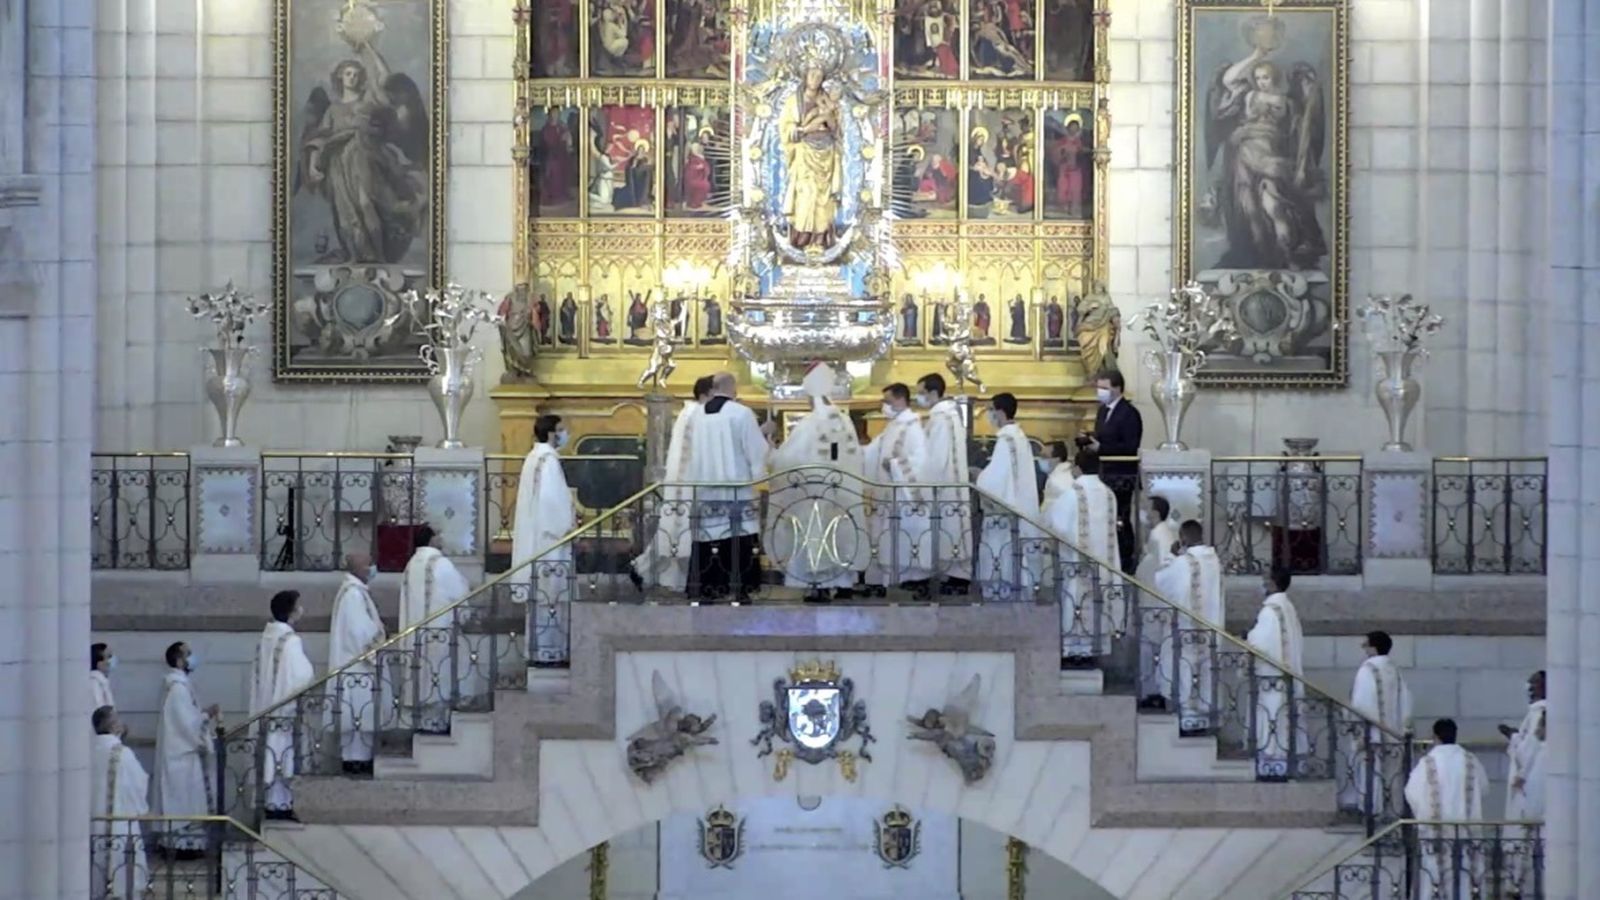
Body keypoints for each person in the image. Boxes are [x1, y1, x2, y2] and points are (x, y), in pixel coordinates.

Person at [766, 362, 867, 597]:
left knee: (815, 535)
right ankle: (843, 583)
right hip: (842, 490)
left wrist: (773, 453)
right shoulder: (844, 420)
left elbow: (790, 459)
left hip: (815, 491)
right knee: (839, 532)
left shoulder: (811, 423)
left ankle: (817, 586)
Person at [688, 372, 771, 600]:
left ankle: (707, 587)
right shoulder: (741, 413)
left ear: (714, 388)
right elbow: (755, 449)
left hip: (705, 486)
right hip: (736, 487)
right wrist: (759, 472)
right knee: (737, 537)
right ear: (733, 389)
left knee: (708, 537)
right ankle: (740, 588)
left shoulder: (697, 415)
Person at [633, 376, 714, 593]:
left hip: (689, 485)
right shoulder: (695, 414)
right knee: (675, 536)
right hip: (685, 486)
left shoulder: (695, 414)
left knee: (677, 536)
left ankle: (652, 572)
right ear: (706, 395)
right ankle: (643, 570)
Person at [1042, 447, 1121, 661]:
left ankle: (1075, 652)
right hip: (1104, 565)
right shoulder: (1109, 494)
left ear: (1077, 468)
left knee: (1077, 599)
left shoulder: (1072, 494)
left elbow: (1056, 526)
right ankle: (1095, 649)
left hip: (1079, 565)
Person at [1147, 521, 1223, 732]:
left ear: (1183, 538)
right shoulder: (1213, 561)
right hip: (1208, 629)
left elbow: (1163, 582)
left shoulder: (1184, 562)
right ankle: (1203, 721)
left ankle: (1187, 721)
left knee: (1185, 669)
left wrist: (1171, 556)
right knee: (1204, 672)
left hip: (1187, 628)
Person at [513, 414, 577, 661]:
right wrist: (568, 526)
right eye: (561, 429)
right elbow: (551, 502)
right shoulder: (548, 461)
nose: (564, 434)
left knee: (543, 598)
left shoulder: (533, 457)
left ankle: (539, 649)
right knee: (551, 595)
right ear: (550, 433)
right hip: (550, 541)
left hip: (537, 536)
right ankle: (550, 652)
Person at [398, 525, 473, 731]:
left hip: (415, 636)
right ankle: (440, 725)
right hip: (439, 634)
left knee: (423, 682)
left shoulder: (410, 565)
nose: (441, 538)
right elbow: (459, 593)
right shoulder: (440, 564)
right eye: (438, 535)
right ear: (431, 540)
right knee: (440, 680)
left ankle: (424, 725)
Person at [250, 590, 315, 821]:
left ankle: (271, 804)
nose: (301, 610)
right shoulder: (290, 640)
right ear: (290, 611)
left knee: (272, 755)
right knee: (284, 757)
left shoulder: (266, 638)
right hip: (283, 713)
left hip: (266, 709)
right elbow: (302, 675)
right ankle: (282, 806)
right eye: (298, 605)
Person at [1404, 719, 1489, 896]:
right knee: (1463, 878)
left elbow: (1411, 792)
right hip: (1464, 832)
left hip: (1435, 834)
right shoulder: (1470, 760)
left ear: (1435, 737)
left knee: (1434, 880)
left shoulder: (1428, 762)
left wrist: (1425, 813)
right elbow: (1484, 788)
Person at [152, 642, 220, 857]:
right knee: (184, 802)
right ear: (180, 660)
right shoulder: (178, 689)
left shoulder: (178, 685)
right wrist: (207, 715)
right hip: (182, 757)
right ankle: (181, 848)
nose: (193, 657)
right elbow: (186, 725)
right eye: (189, 654)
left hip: (182, 756)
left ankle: (186, 845)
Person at [864, 383, 932, 590]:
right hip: (887, 493)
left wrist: (894, 465)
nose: (884, 405)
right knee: (887, 538)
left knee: (903, 539)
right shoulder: (893, 425)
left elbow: (919, 460)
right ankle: (887, 579)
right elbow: (872, 451)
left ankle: (911, 580)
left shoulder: (912, 425)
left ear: (900, 399)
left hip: (903, 496)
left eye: (888, 401)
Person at [974, 393, 1041, 601]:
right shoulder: (1019, 436)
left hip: (1004, 513)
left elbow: (996, 479)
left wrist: (978, 476)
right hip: (1018, 506)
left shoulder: (1006, 439)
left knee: (1001, 554)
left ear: (1001, 412)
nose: (989, 415)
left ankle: (1000, 596)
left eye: (991, 410)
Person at [1340, 630, 1414, 815]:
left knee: (1370, 773)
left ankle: (1371, 810)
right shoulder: (1394, 670)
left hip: (1371, 734)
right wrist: (1402, 728)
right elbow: (1406, 700)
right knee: (1391, 776)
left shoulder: (1368, 669)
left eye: (1365, 645)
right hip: (1393, 735)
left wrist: (1352, 722)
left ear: (1374, 647)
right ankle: (1391, 811)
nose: (1364, 649)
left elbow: (1361, 702)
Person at [327, 553, 386, 774]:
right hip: (357, 665)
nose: (371, 567)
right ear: (358, 568)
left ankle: (359, 757)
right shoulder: (352, 595)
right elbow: (359, 632)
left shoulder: (356, 592)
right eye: (367, 563)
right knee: (357, 715)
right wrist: (378, 634)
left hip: (357, 665)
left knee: (360, 715)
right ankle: (355, 760)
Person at [1245, 567, 1305, 780]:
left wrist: (1248, 638)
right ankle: (1282, 765)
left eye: (1265, 580)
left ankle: (1272, 767)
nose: (1262, 584)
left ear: (1272, 583)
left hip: (1272, 679)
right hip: (1285, 677)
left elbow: (1260, 644)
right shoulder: (1288, 608)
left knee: (1272, 720)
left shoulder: (1270, 611)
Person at [1081, 369, 1142, 575]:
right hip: (1104, 473)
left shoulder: (1129, 413)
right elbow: (1105, 437)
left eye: (1104, 388)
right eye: (1099, 387)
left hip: (1122, 476)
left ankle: (1126, 562)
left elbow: (1130, 447)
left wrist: (1102, 448)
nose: (1100, 392)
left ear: (1117, 388)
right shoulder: (1103, 411)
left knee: (1120, 519)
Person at [916, 373, 972, 588]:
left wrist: (921, 478)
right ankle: (954, 575)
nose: (920, 398)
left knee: (948, 528)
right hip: (953, 480)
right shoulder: (950, 414)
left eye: (922, 393)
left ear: (933, 392)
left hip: (944, 482)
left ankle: (956, 578)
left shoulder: (940, 417)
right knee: (953, 528)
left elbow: (936, 457)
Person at [90, 706, 148, 899]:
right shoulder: (123, 753)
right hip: (120, 823)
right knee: (120, 874)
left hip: (92, 826)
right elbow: (139, 782)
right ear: (113, 726)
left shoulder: (85, 752)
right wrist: (141, 810)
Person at [1500, 670, 1546, 820]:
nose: (1529, 689)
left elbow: (1529, 749)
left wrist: (1512, 736)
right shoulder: (1540, 712)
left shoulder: (1539, 713)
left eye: (1533, 685)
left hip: (1533, 776)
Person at [1135, 495, 1179, 585]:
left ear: (1155, 514)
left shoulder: (1159, 536)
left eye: (1146, 508)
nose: (1142, 512)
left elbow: (1163, 565)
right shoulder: (1159, 531)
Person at [90, 642, 117, 716]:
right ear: (99, 663)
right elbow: (100, 710)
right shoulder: (95, 682)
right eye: (109, 657)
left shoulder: (102, 681)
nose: (111, 660)